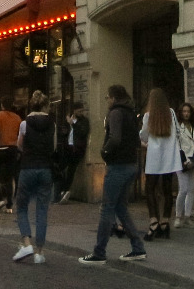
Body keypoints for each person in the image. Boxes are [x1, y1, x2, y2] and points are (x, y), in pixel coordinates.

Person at [79, 85, 147, 264]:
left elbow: (115, 138)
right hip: (131, 164)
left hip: (118, 165)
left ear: (114, 98)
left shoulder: (116, 113)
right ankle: (138, 247)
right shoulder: (130, 112)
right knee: (120, 208)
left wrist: (105, 151)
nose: (107, 100)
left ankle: (99, 252)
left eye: (107, 97)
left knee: (107, 208)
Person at [12, 91, 55, 264]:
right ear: (46, 106)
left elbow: (19, 145)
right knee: (42, 210)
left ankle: (26, 243)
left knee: (21, 206)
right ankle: (39, 252)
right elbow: (53, 147)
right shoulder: (52, 124)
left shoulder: (24, 123)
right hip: (45, 168)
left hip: (28, 167)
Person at [140, 88, 179, 240]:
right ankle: (165, 222)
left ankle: (153, 222)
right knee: (167, 190)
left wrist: (144, 140)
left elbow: (144, 134)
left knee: (150, 188)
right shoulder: (171, 113)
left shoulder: (148, 115)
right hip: (169, 156)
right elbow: (178, 131)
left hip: (154, 156)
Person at [174, 102, 194, 228]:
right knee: (183, 189)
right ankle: (178, 217)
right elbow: (177, 146)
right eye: (184, 111)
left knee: (191, 190)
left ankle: (187, 217)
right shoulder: (177, 128)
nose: (186, 114)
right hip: (182, 162)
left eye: (188, 111)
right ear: (180, 113)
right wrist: (184, 160)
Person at [0, 99, 22, 211]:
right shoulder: (17, 118)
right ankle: (9, 204)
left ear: (2, 105)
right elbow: (19, 134)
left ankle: (0, 199)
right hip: (13, 148)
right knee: (9, 177)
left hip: (0, 147)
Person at [55, 100, 88, 203]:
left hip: (77, 149)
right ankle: (61, 190)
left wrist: (73, 123)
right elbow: (62, 132)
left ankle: (65, 191)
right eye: (79, 111)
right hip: (67, 148)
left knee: (71, 171)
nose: (81, 113)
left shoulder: (84, 121)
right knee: (59, 168)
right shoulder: (68, 119)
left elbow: (83, 132)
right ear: (74, 111)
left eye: (82, 111)